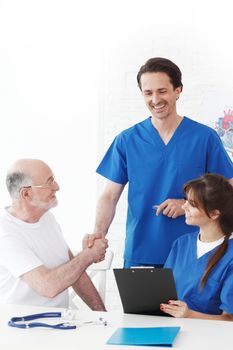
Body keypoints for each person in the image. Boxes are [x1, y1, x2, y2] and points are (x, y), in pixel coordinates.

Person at [87, 57, 233, 268]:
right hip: (141, 251)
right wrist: (98, 234)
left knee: (188, 304)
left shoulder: (204, 138)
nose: (155, 99)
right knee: (142, 303)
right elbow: (109, 196)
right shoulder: (127, 140)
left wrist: (187, 205)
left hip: (195, 253)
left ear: (178, 90)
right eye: (148, 93)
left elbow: (228, 188)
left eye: (162, 91)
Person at [0, 159, 108, 309]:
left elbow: (74, 271)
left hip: (60, 322)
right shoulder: (5, 233)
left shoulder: (47, 218)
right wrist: (88, 255)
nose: (57, 187)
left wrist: (102, 315)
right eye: (49, 182)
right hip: (23, 327)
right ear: (26, 194)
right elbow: (47, 287)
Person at [161, 173, 233, 321]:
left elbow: (229, 319)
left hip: (209, 338)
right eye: (186, 200)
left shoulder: (230, 256)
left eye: (192, 204)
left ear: (214, 214)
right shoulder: (181, 244)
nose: (184, 206)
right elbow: (164, 293)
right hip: (170, 327)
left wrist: (189, 315)